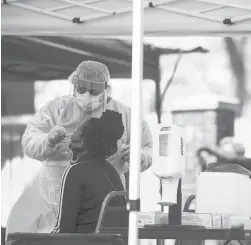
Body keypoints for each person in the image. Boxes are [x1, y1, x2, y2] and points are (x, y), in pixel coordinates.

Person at [6, 60, 152, 234]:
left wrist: (140, 156)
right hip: (51, 195)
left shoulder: (124, 115)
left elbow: (147, 146)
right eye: (81, 88)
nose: (87, 95)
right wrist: (47, 140)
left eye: (94, 90)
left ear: (106, 89)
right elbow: (30, 140)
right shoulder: (57, 109)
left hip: (100, 201)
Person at [52, 110, 126, 233]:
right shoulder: (111, 171)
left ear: (81, 141)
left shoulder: (75, 172)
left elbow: (64, 230)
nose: (71, 135)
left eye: (76, 130)